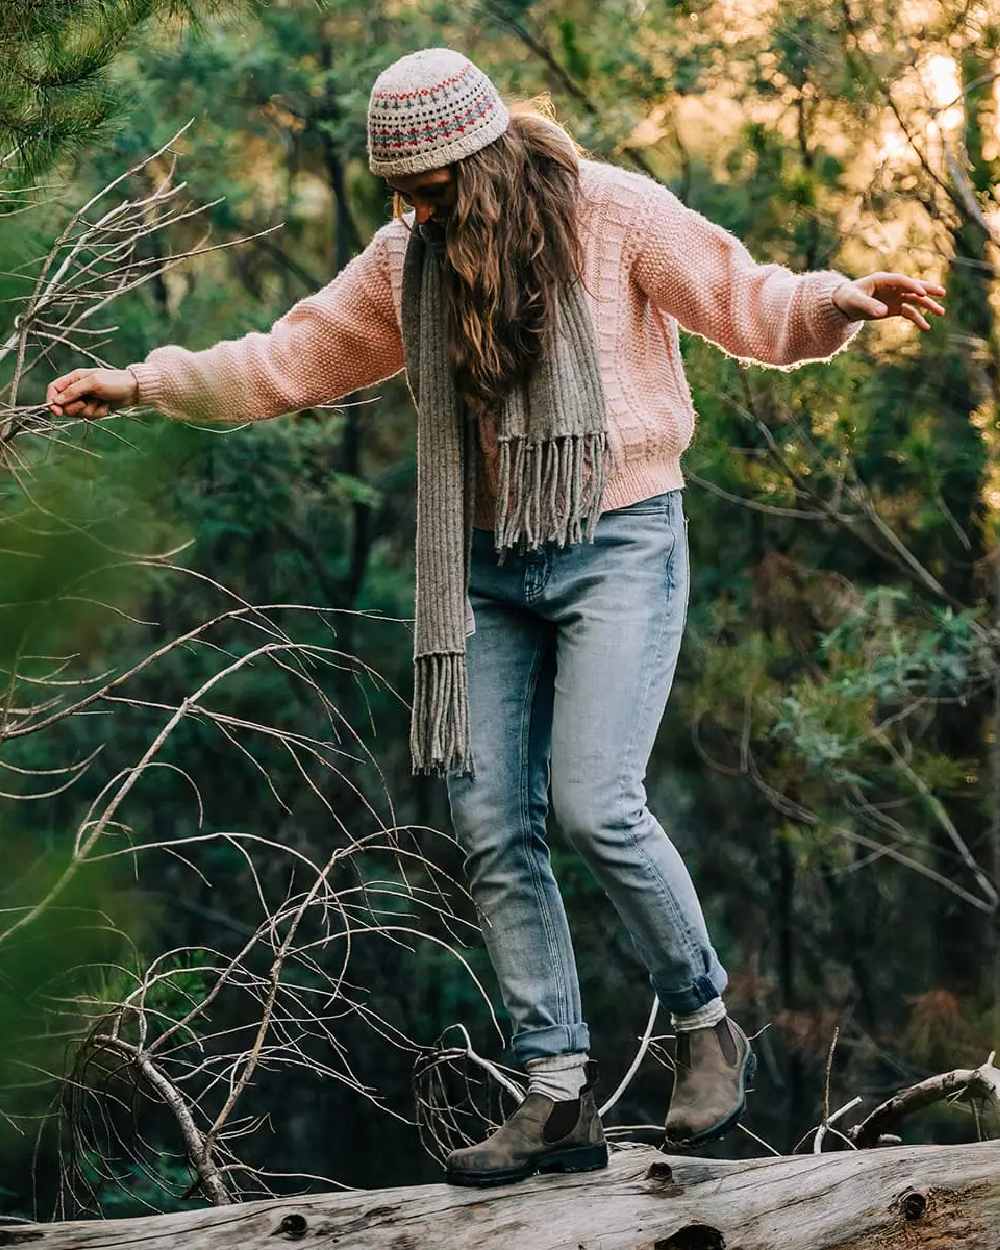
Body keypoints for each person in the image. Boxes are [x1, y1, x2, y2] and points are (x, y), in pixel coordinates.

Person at [46, 47, 946, 1186]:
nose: (412, 210)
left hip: (618, 537)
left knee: (596, 799)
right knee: (490, 827)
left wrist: (834, 300)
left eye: (427, 187)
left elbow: (744, 295)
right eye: (398, 193)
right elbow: (286, 360)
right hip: (479, 564)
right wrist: (144, 379)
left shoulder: (607, 211)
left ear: (478, 158)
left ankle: (704, 1022)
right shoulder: (403, 263)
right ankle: (555, 1094)